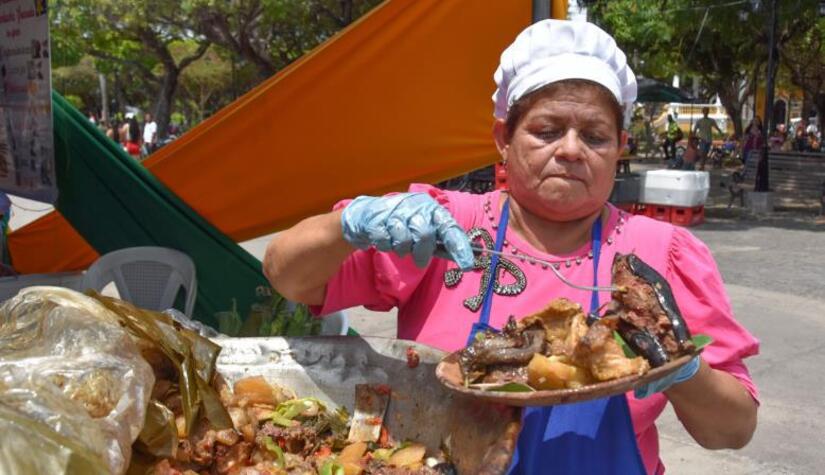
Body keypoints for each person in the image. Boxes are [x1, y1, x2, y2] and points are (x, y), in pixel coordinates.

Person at [264, 20, 758, 475]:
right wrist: (350, 225)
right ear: (503, 137)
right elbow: (287, 276)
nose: (570, 149)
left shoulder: (661, 254)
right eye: (546, 131)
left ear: (620, 147)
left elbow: (733, 431)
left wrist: (680, 370)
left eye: (595, 136)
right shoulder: (442, 227)